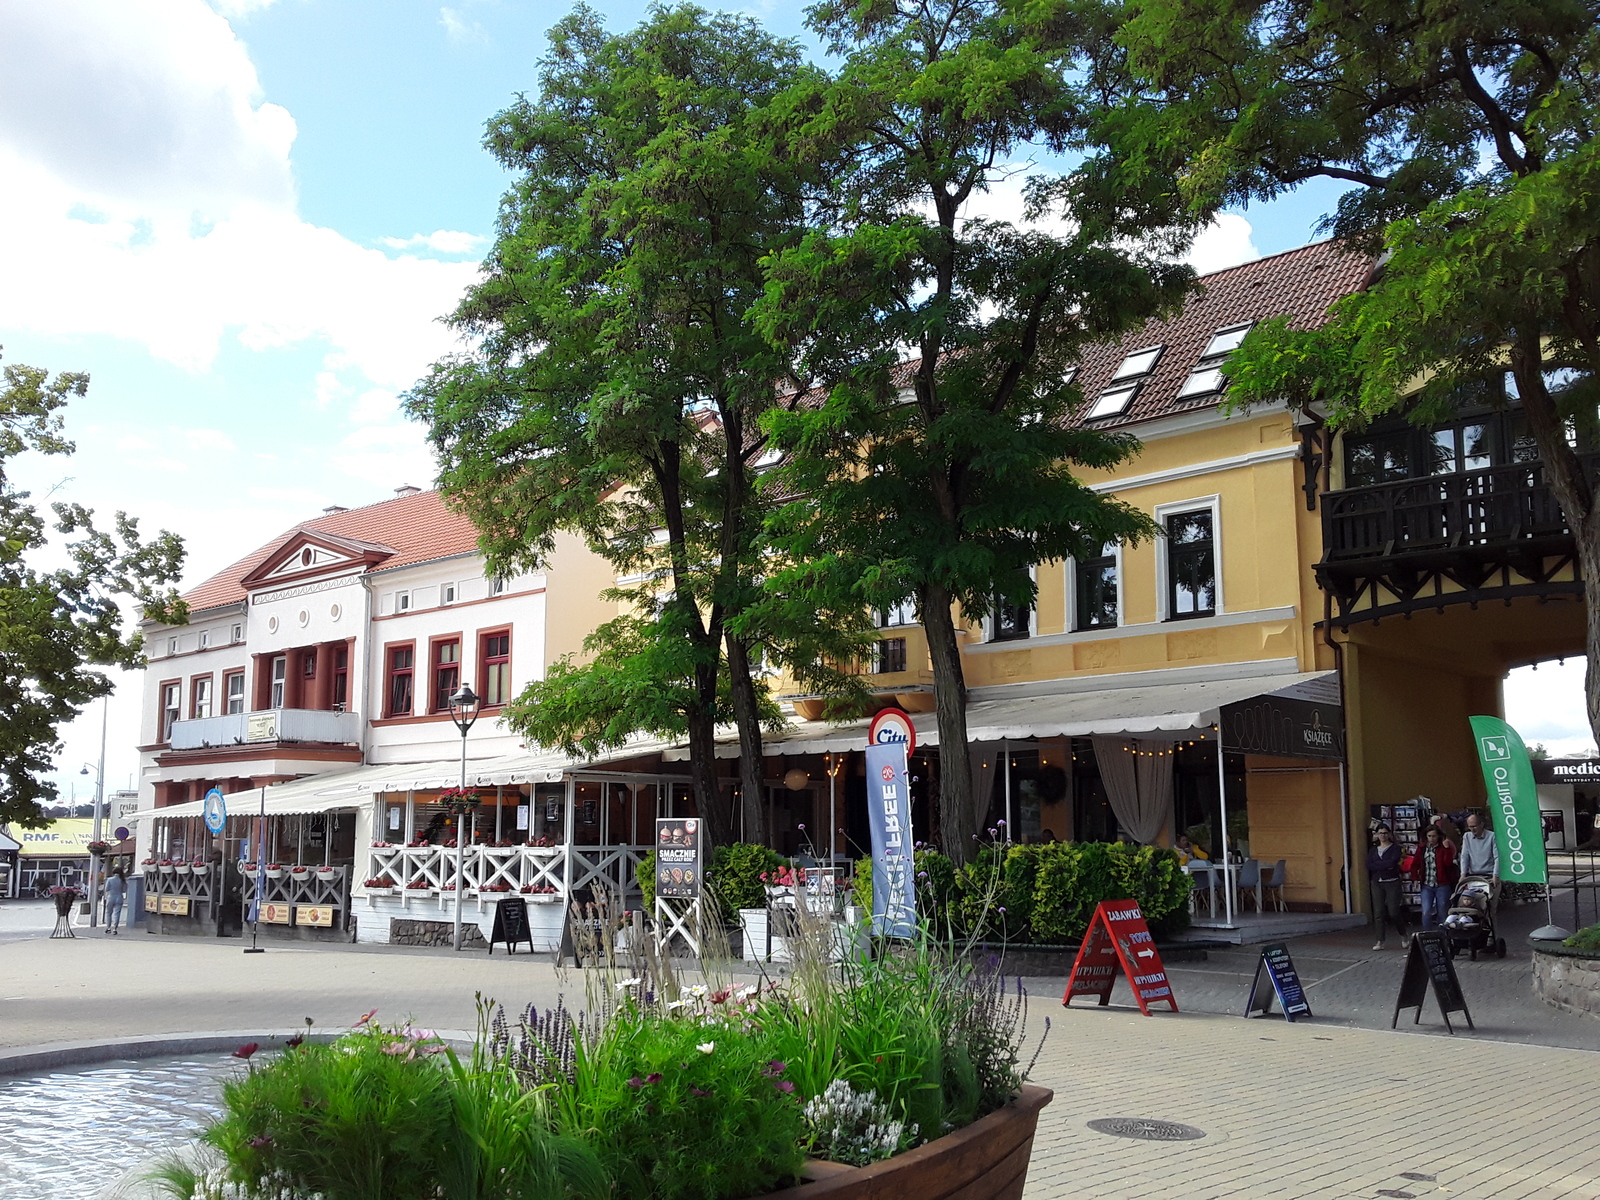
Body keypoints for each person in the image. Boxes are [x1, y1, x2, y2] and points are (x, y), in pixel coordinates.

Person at [1406, 826, 1458, 930]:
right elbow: (1415, 865)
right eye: (1429, 836)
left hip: (1442, 884)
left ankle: (1443, 937)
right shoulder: (1422, 848)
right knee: (1426, 911)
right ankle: (1427, 935)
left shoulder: (1443, 848)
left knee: (1442, 912)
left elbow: (1448, 863)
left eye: (1434, 836)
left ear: (1438, 836)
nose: (1432, 838)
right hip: (1427, 884)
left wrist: (1447, 849)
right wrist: (1415, 878)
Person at [1367, 823, 1407, 950]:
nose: (1382, 836)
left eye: (1385, 833)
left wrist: (1380, 865)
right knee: (1378, 912)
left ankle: (1403, 934)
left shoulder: (1395, 848)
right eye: (1380, 833)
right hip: (1377, 882)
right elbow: (1369, 865)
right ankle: (1380, 940)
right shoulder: (1373, 850)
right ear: (1377, 835)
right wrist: (1383, 865)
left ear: (1389, 834)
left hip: (1392, 881)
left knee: (1393, 911)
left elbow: (1393, 862)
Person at [1459, 811, 1501, 921]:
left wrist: (1495, 875)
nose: (1472, 829)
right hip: (1473, 877)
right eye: (1470, 827)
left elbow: (1497, 857)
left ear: (1481, 824)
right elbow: (1465, 856)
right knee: (1471, 905)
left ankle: (1492, 935)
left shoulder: (1492, 836)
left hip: (1489, 876)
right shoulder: (1467, 837)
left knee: (1490, 909)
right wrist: (1463, 874)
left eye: (1474, 826)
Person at [103, 866, 126, 935]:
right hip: (119, 897)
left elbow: (106, 889)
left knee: (108, 913)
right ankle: (115, 928)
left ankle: (108, 928)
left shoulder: (109, 880)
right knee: (117, 914)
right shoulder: (122, 880)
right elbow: (124, 890)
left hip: (111, 897)